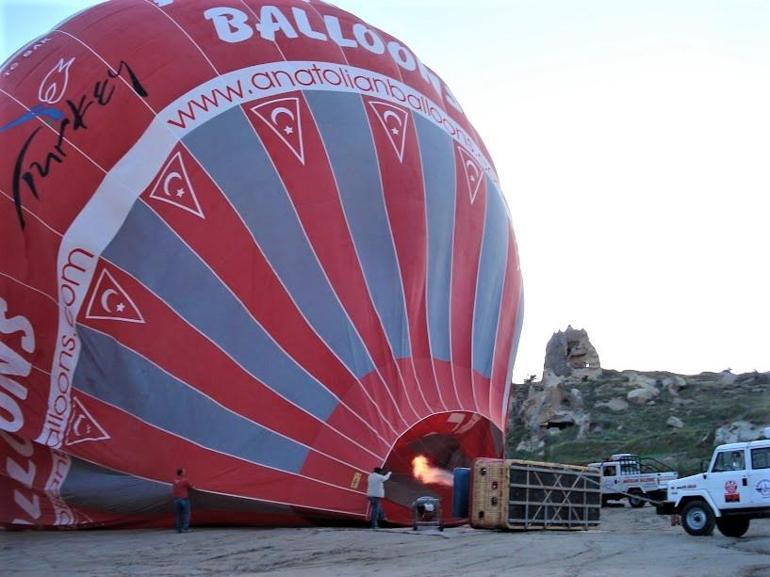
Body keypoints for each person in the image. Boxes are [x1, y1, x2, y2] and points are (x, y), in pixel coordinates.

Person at [172, 468, 193, 533]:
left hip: (176, 499)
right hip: (184, 499)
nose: (185, 473)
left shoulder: (174, 480)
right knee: (186, 514)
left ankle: (179, 529)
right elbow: (191, 487)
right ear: (181, 473)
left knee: (178, 514)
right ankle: (185, 528)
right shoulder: (185, 480)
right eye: (184, 472)